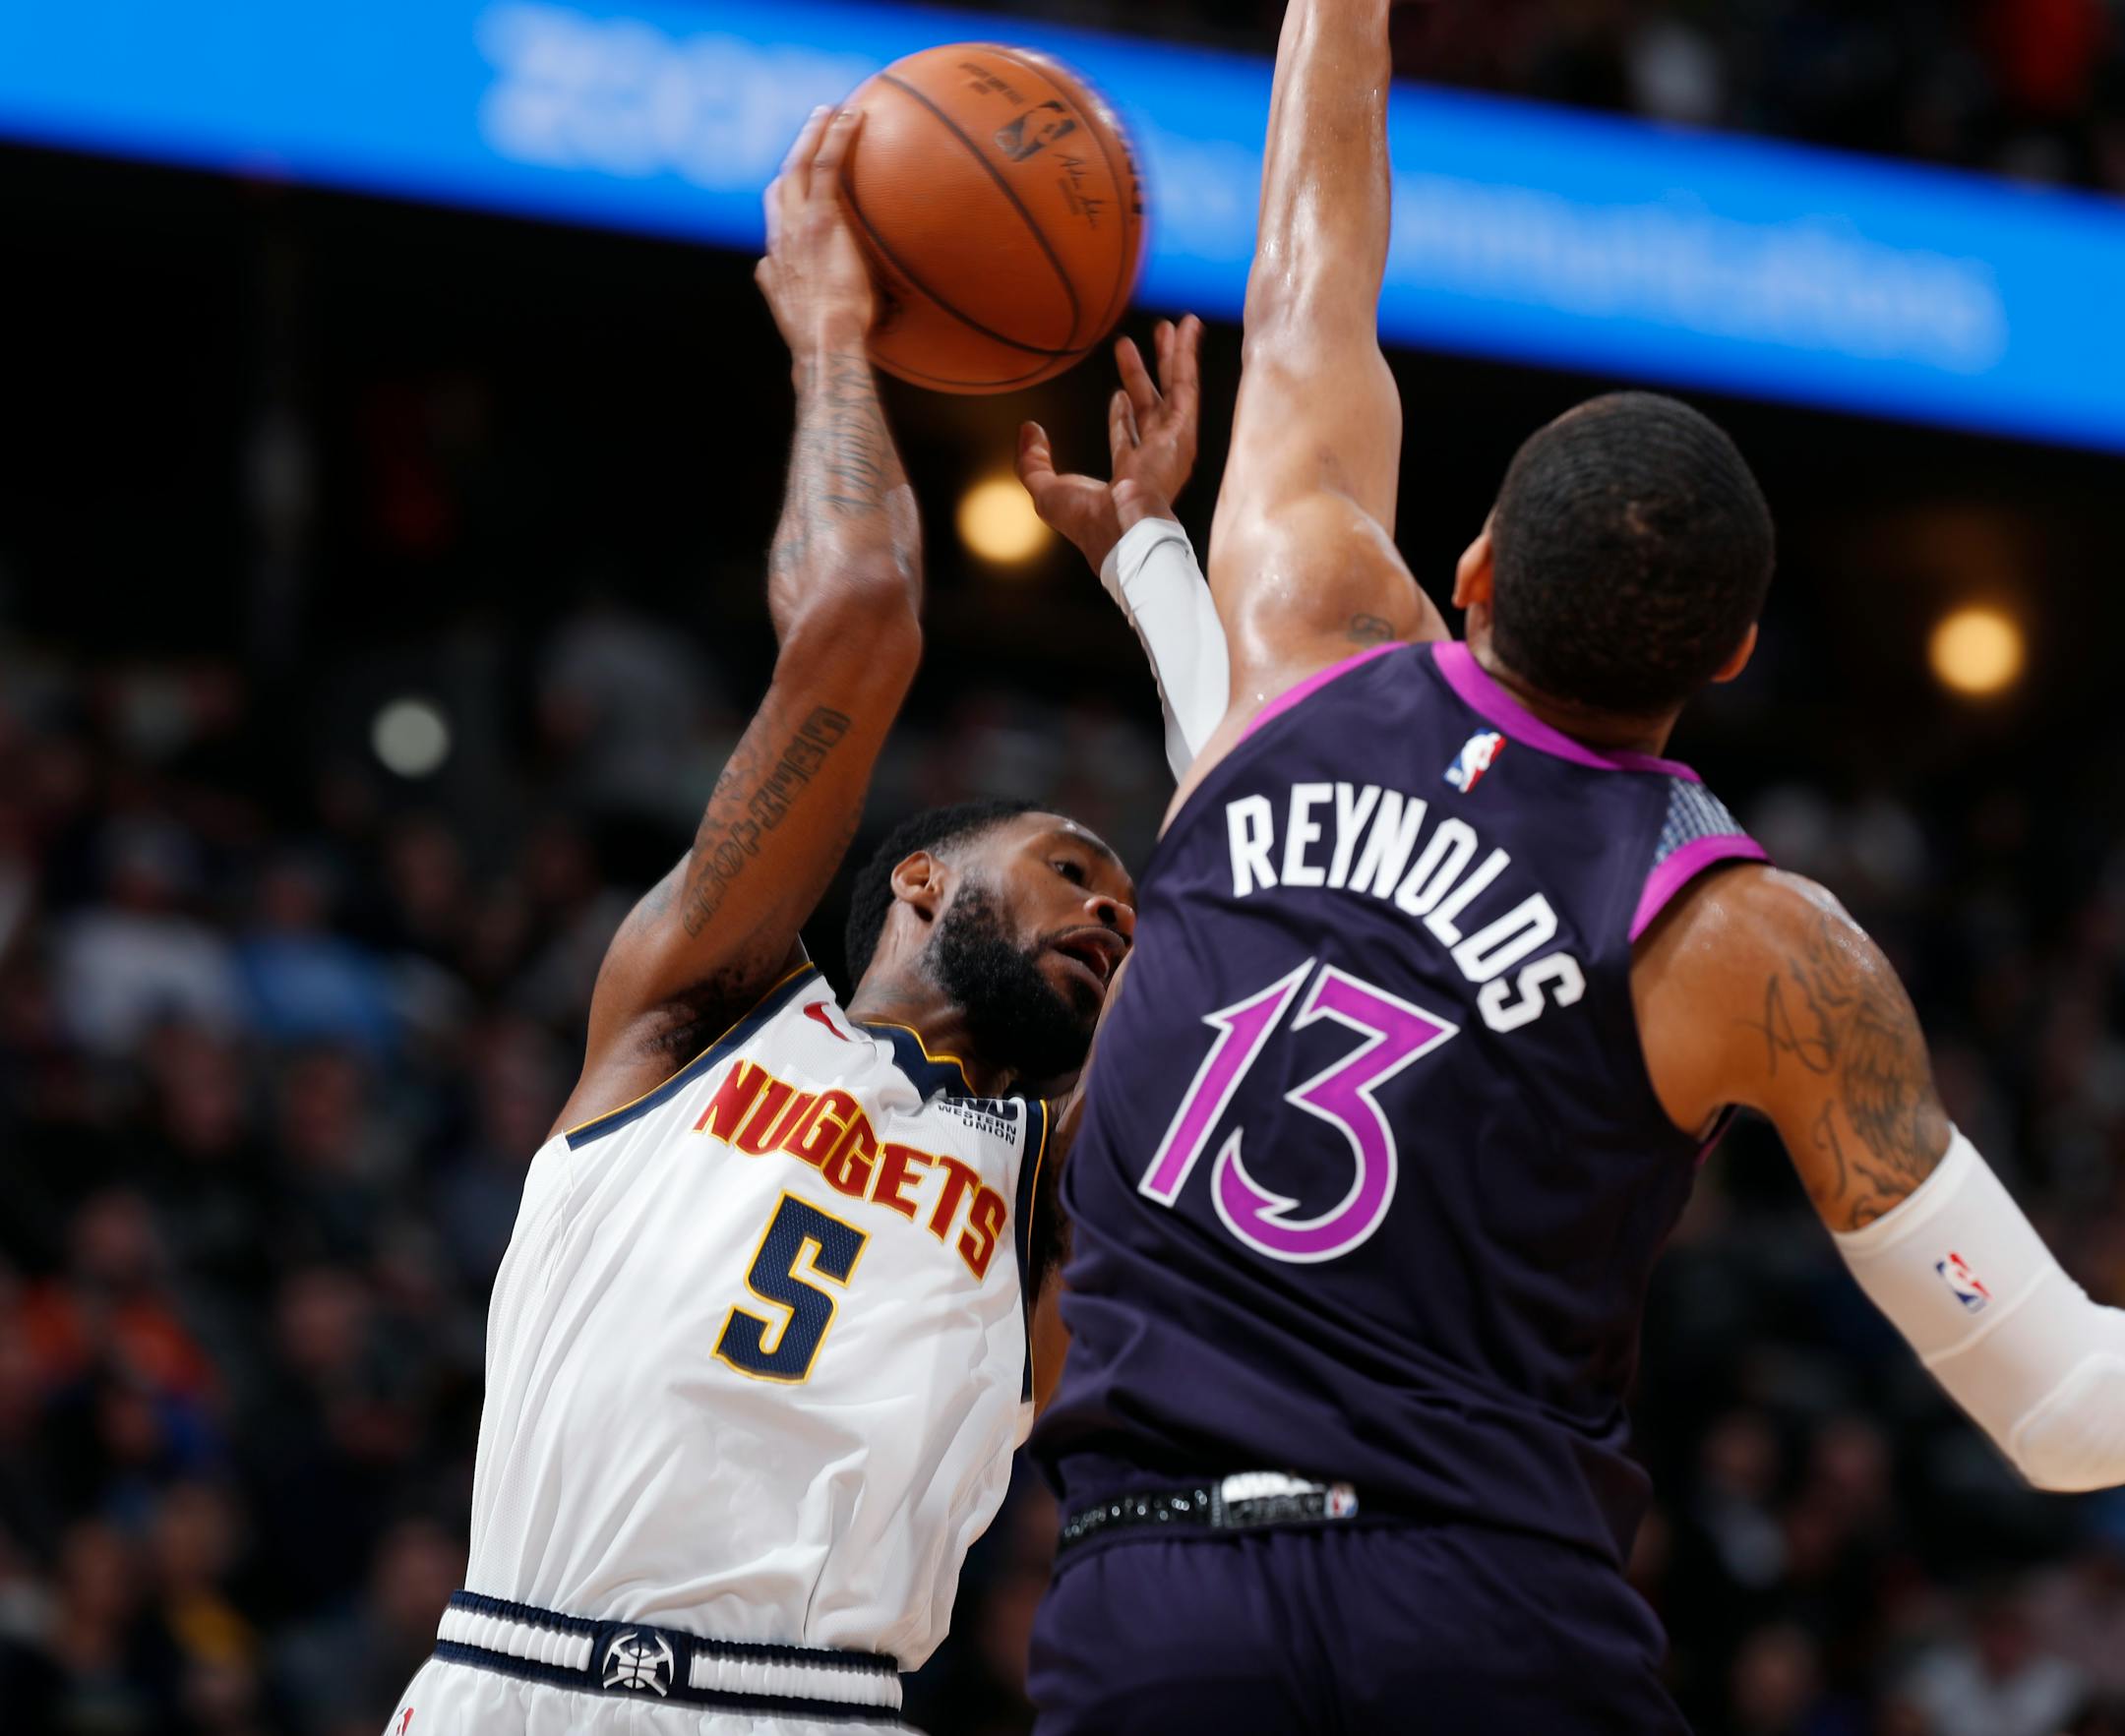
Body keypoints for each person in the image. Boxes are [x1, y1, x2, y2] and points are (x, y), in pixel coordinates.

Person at [1018, 3, 2125, 1731]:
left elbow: (1312, 268)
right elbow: (2063, 1413)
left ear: (1464, 568)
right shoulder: (1756, 947)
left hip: (1153, 1607)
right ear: (1736, 653)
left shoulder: (1297, 636)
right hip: (1482, 1614)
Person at [378, 104, 1173, 1736]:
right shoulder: (698, 1007)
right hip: (510, 1676)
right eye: (1075, 861)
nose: (1112, 906)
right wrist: (831, 333)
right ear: (920, 876)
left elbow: (1261, 879)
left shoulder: (1062, 1180)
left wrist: (1159, 563)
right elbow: (866, 614)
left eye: (1126, 902)